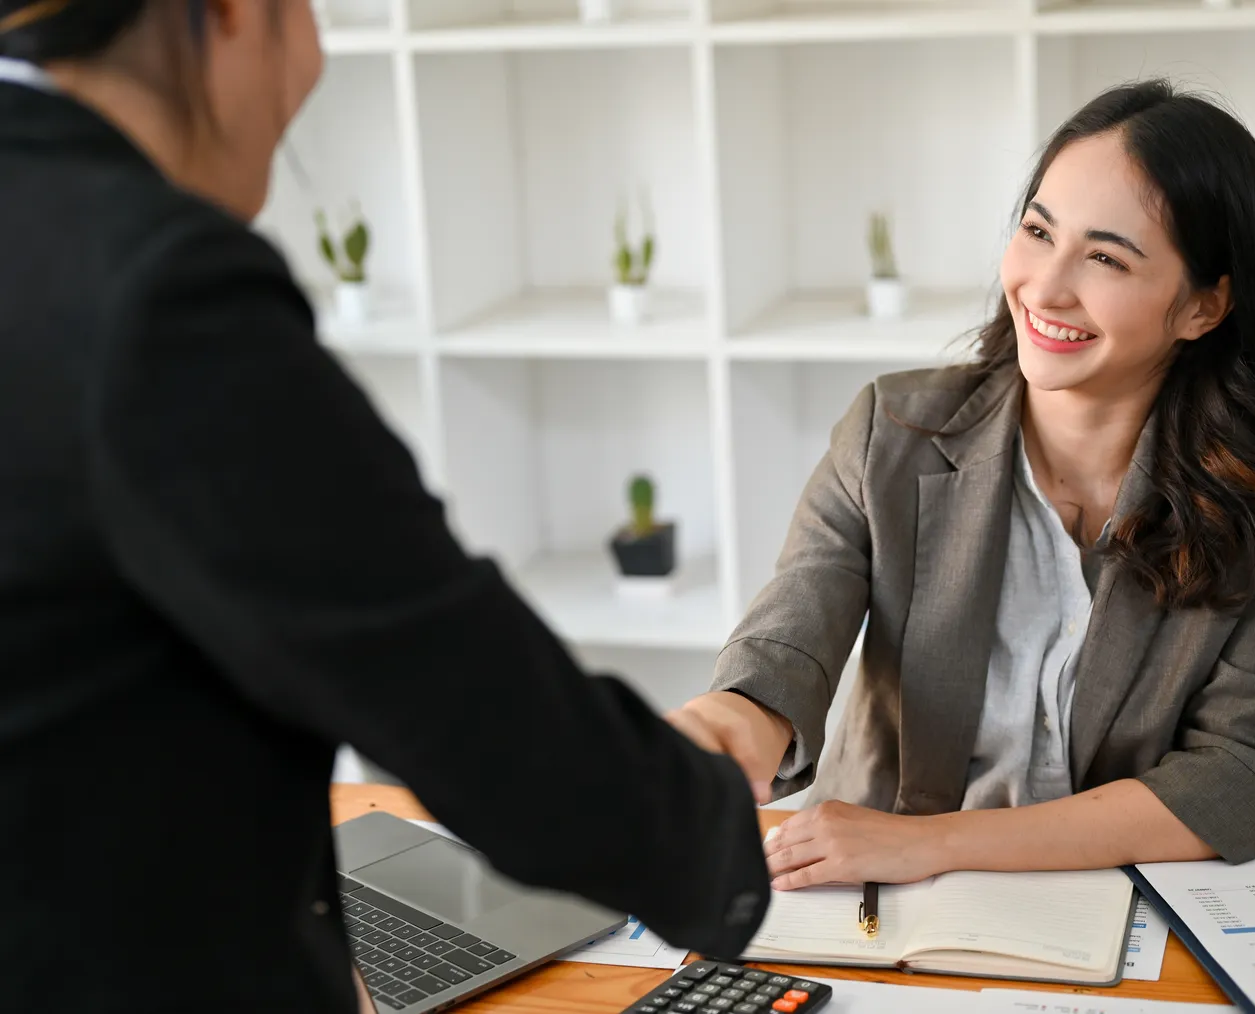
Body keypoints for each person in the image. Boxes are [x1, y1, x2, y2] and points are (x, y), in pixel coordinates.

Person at [0, 0, 769, 1009]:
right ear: (233, 13)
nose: (312, 63)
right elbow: (446, 677)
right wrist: (706, 825)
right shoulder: (152, 285)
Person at [668, 80, 1255, 889]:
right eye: (1037, 231)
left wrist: (938, 843)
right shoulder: (895, 428)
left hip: (1116, 894)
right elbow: (796, 626)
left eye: (1105, 257)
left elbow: (1238, 779)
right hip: (873, 893)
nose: (1045, 287)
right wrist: (735, 717)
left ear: (1203, 306)